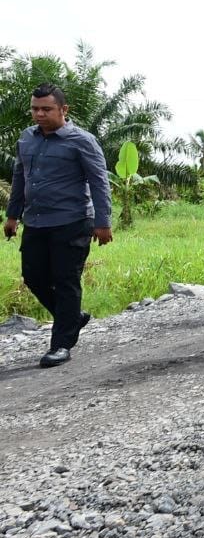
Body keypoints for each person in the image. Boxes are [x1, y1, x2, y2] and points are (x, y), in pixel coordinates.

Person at [4, 83, 112, 368]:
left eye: (46, 109)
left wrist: (103, 222)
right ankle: (72, 318)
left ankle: (61, 343)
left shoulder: (82, 141)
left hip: (73, 221)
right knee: (33, 276)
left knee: (66, 280)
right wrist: (12, 215)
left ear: (64, 110)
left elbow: (99, 182)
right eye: (35, 109)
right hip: (36, 221)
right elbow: (20, 178)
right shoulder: (27, 138)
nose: (39, 114)